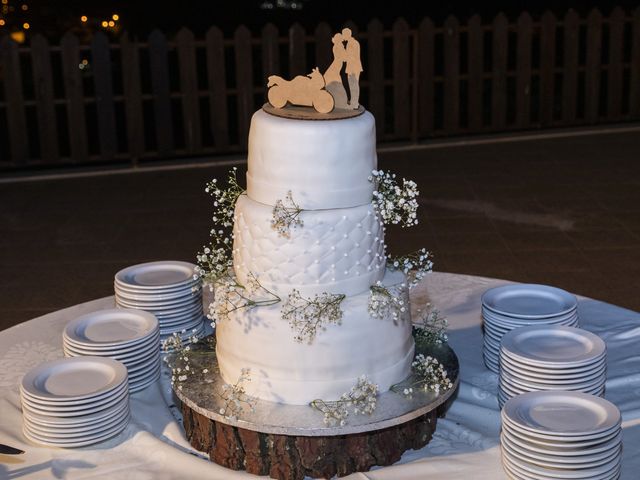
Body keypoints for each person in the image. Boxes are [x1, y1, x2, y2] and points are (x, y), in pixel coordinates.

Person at [323, 33, 349, 109]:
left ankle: (338, 101)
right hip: (336, 67)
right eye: (341, 39)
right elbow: (344, 58)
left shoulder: (337, 46)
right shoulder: (339, 46)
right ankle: (341, 101)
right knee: (337, 83)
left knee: (335, 82)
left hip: (336, 67)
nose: (342, 41)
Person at [342, 28, 362, 109]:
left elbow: (352, 56)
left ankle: (355, 103)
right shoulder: (350, 43)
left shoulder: (353, 43)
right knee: (352, 85)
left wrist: (343, 54)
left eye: (344, 35)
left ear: (347, 34)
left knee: (354, 85)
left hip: (353, 67)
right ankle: (354, 102)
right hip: (352, 67)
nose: (343, 36)